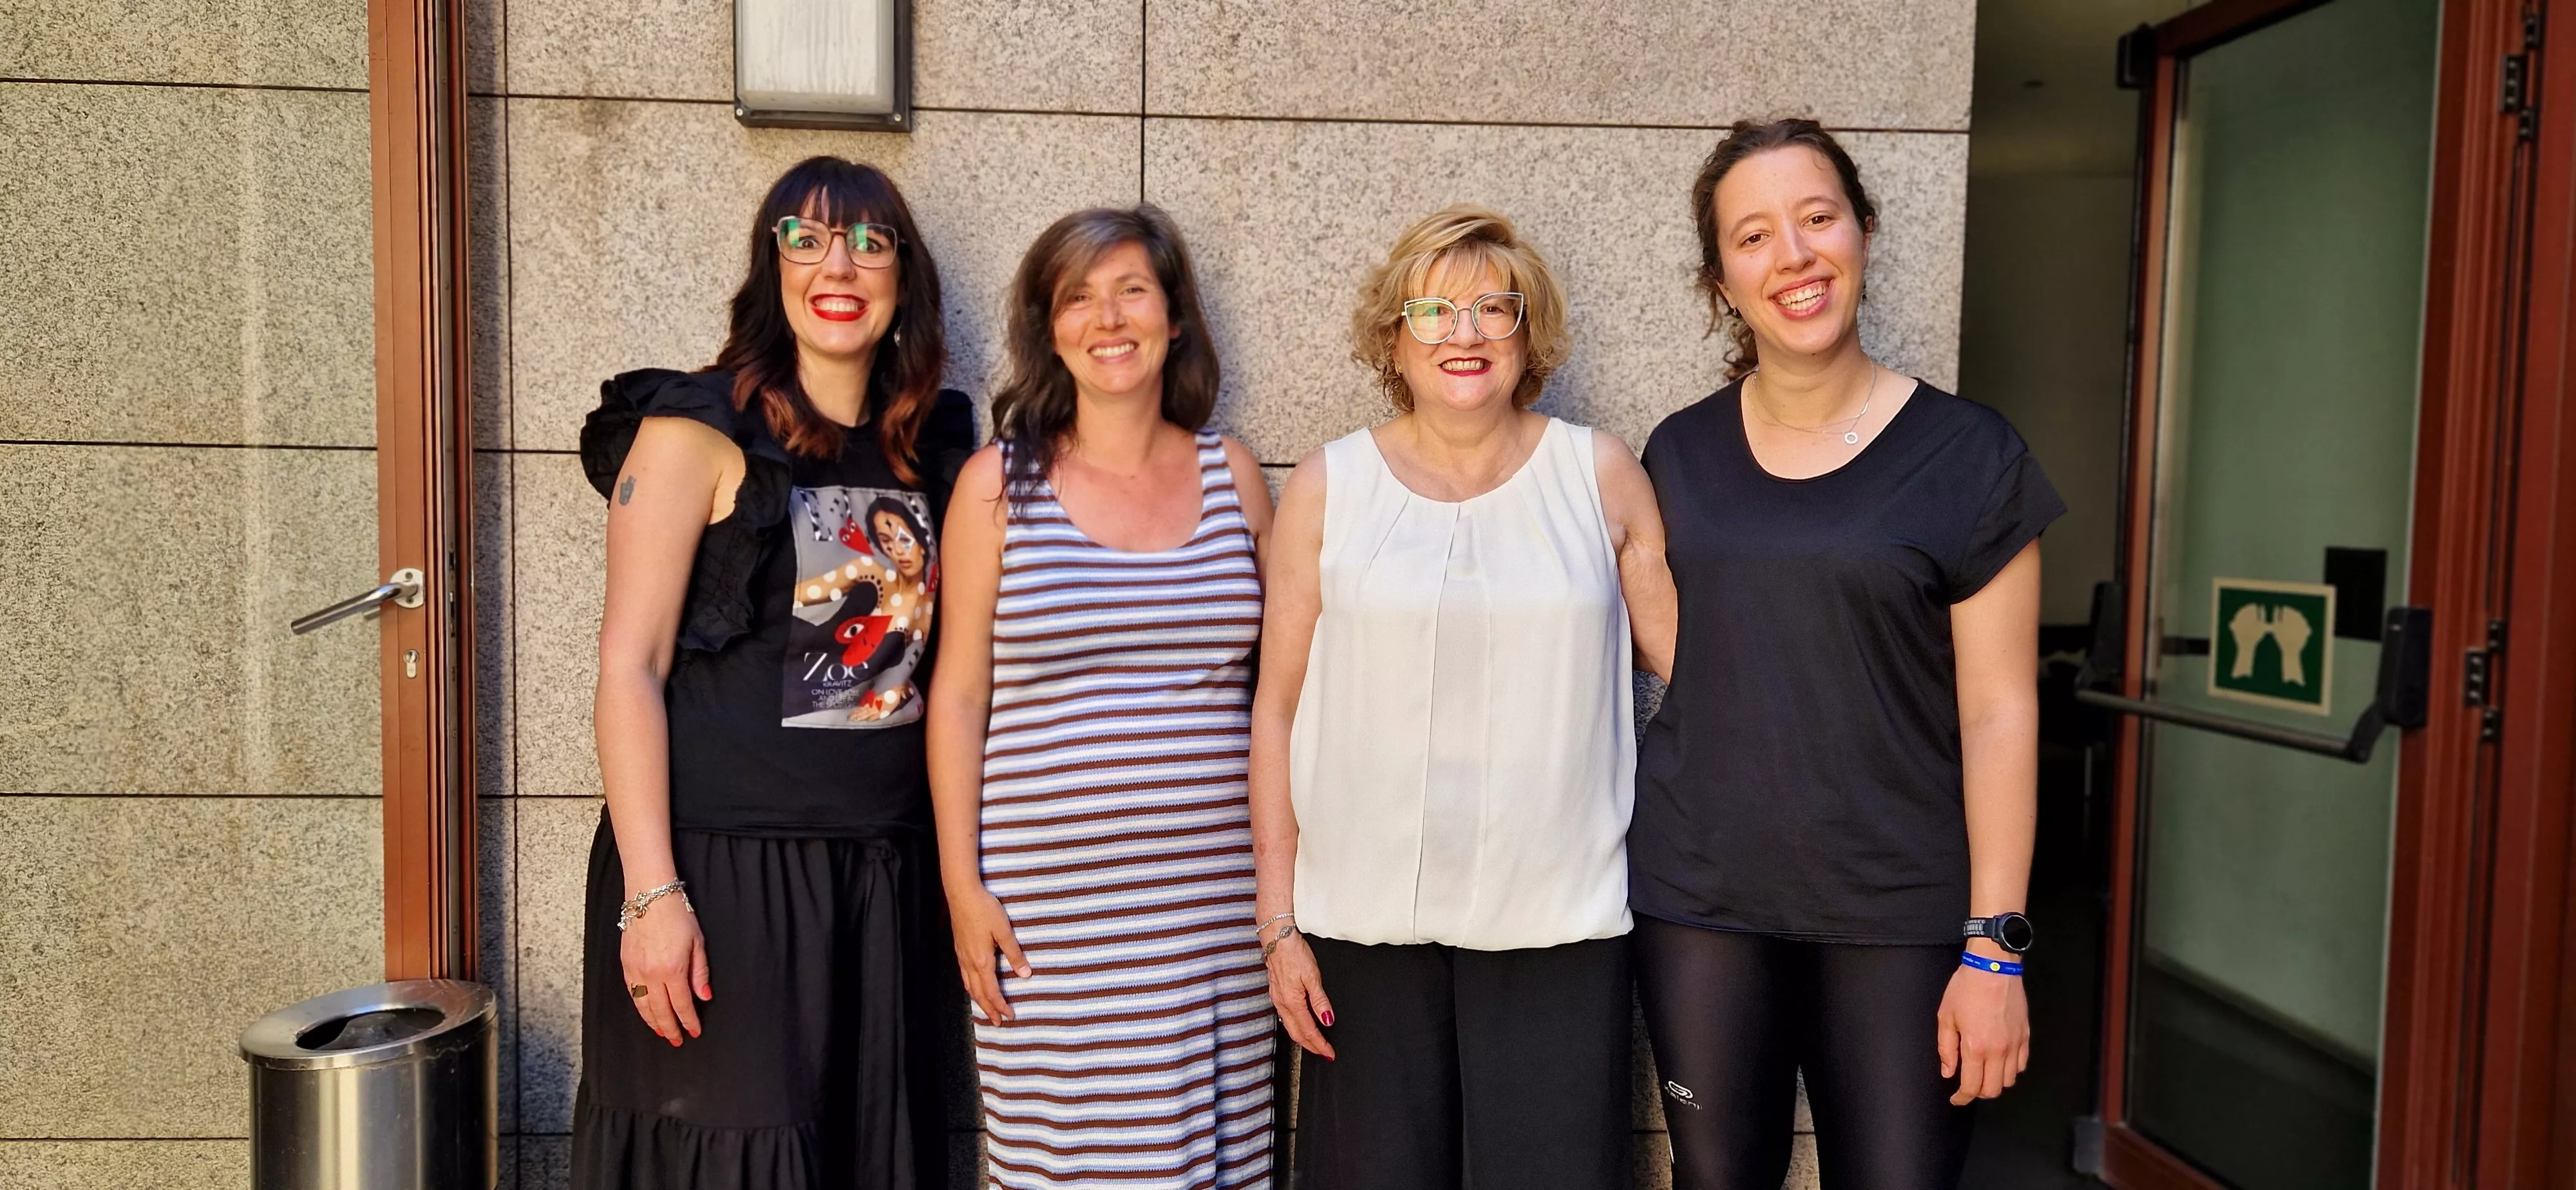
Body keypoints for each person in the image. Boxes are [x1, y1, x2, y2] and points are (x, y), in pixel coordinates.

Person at [1630, 118, 2063, 1190]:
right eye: (1755, 235)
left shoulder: (1970, 455)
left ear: (1864, 230)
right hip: (1703, 902)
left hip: (1901, 913)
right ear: (1721, 279)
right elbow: (1699, 657)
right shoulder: (1677, 453)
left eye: (1817, 218)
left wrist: (1995, 947)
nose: (1794, 256)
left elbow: (2000, 713)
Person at [1247, 205, 1676, 1190]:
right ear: (1392, 339)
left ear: (1533, 335)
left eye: (1495, 308)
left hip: (1559, 929)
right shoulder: (1329, 485)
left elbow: (1689, 672)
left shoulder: (1600, 474)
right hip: (1362, 933)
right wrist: (1280, 925)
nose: (1465, 332)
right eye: (1433, 310)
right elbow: (1276, 710)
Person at [574, 155, 973, 1190]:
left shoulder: (932, 446)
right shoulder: (692, 430)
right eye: (806, 238)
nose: (836, 264)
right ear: (772, 267)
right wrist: (652, 893)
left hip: (885, 879)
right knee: (739, 1161)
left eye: (867, 242)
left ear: (902, 280)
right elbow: (630, 665)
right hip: (725, 873)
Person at [925, 205, 1278, 1189]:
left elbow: (1279, 692)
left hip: (1212, 914)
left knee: (1208, 1161)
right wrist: (964, 890)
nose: (1108, 317)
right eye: (1078, 296)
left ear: (1174, 318)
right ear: (1049, 328)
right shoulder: (999, 486)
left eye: (1131, 289)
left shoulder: (1234, 475)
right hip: (1049, 917)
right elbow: (956, 699)